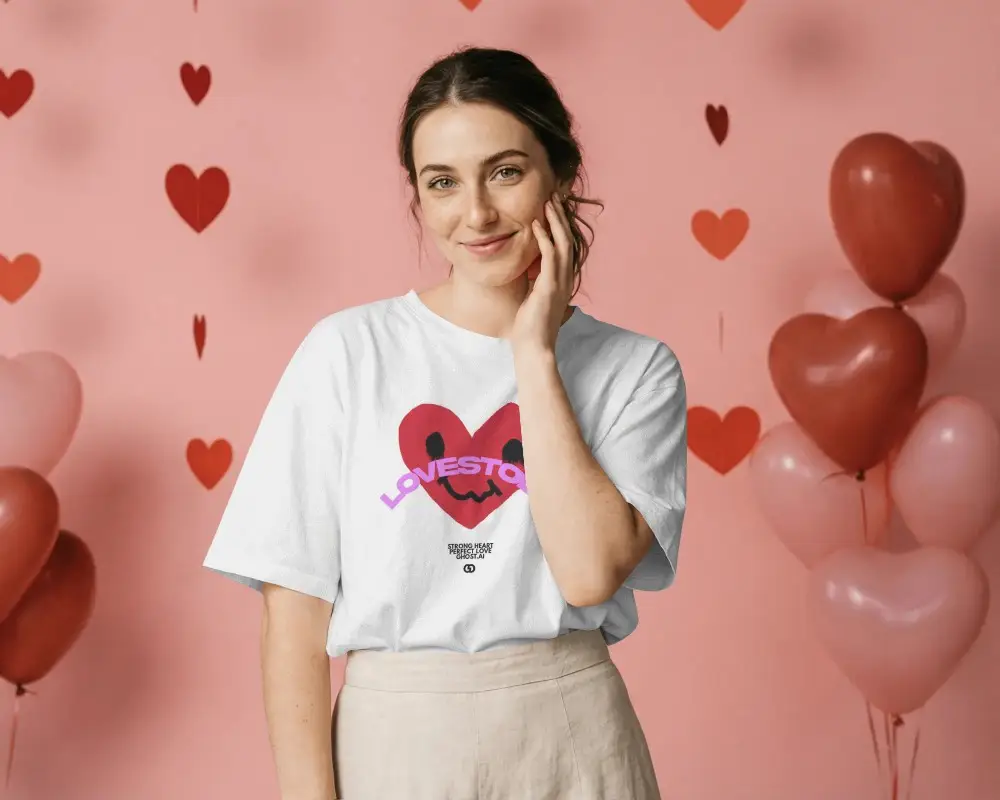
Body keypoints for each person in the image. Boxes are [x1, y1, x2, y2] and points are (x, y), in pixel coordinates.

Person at [202, 45, 687, 800]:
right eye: (443, 183)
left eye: (505, 171)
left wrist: (534, 355)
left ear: (558, 173)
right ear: (418, 198)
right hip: (393, 744)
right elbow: (293, 621)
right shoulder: (347, 352)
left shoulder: (636, 369)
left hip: (573, 738)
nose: (477, 214)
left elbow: (590, 571)